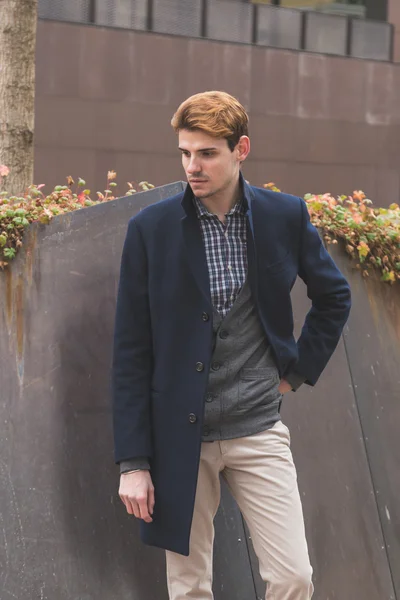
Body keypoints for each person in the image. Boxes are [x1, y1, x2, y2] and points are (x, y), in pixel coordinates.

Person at [112, 91, 351, 600]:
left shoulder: (283, 216)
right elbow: (131, 351)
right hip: (180, 439)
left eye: (207, 153)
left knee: (293, 577)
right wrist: (133, 463)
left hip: (258, 427)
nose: (192, 166)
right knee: (190, 586)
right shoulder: (150, 232)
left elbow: (333, 296)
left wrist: (296, 370)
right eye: (185, 153)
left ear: (241, 148)